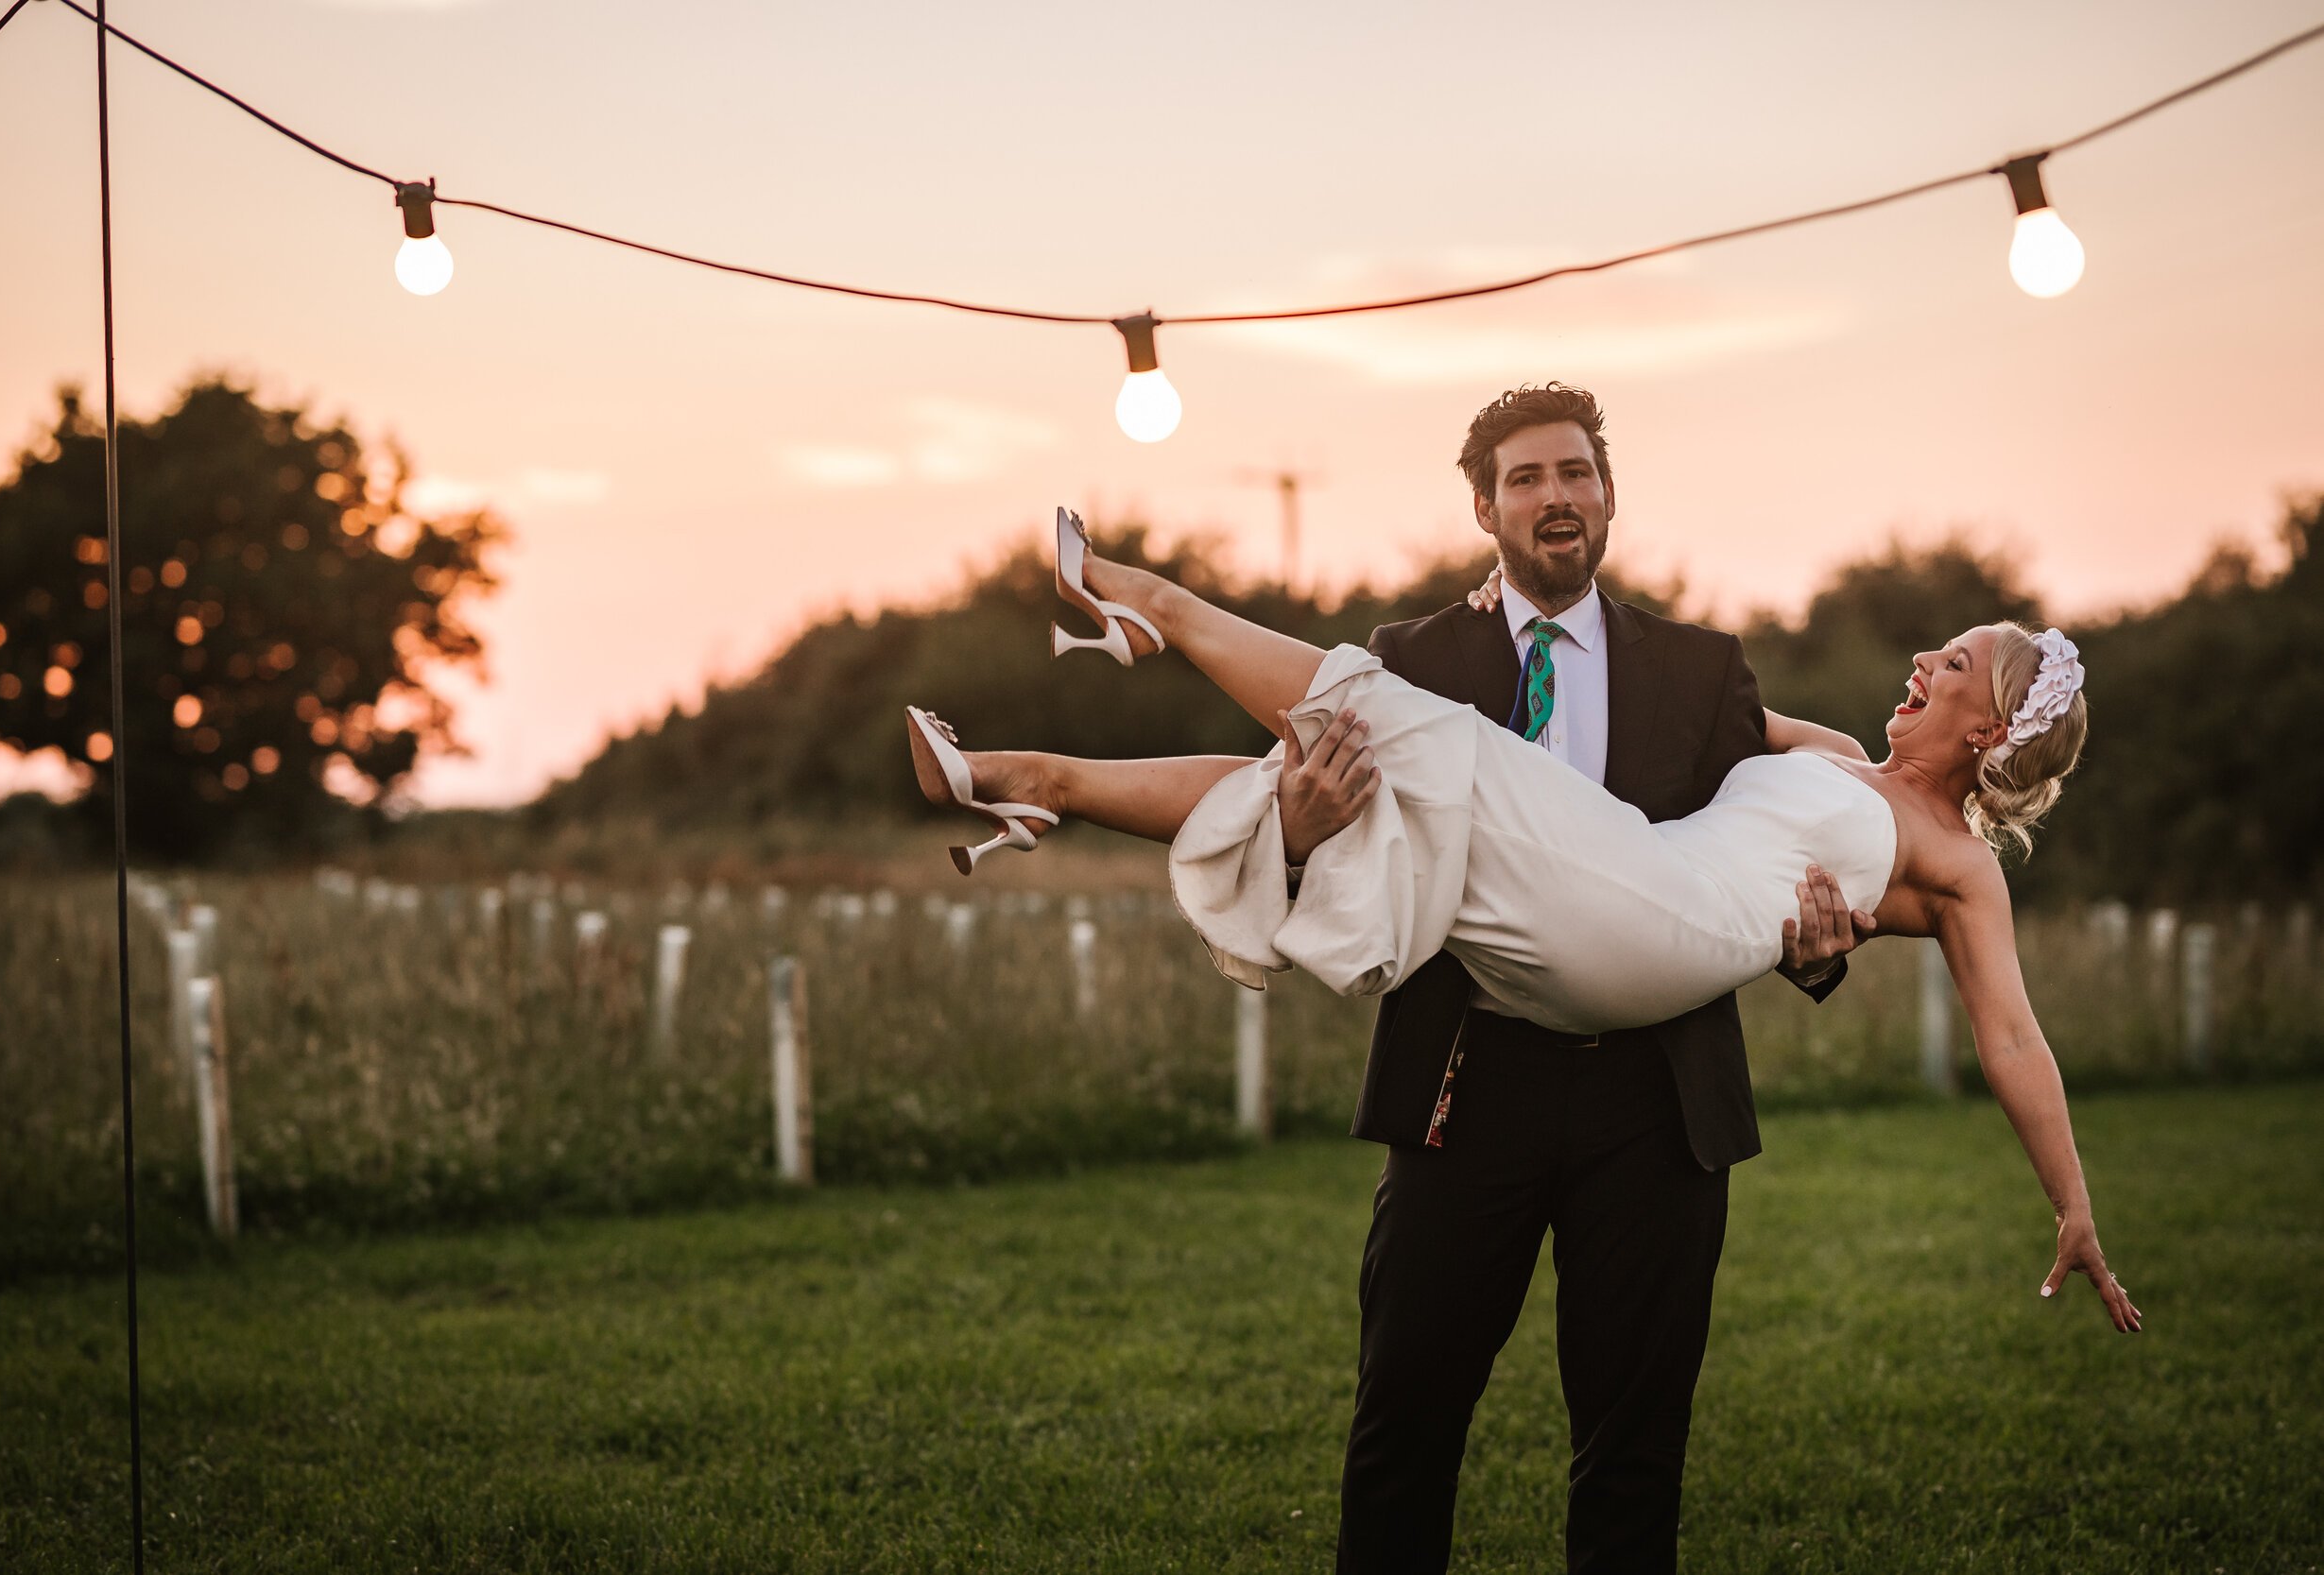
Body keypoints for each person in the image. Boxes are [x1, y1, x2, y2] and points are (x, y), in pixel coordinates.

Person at [904, 389, 2142, 1573]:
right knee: (1391, 751)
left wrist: (2068, 1199)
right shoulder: (1814, 745)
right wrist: (1294, 810)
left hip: (1648, 1005)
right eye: (1527, 477)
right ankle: (1037, 783)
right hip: (1498, 1040)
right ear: (1487, 508)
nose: (1929, 654)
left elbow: (2012, 1038)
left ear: (1991, 733)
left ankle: (1141, 609)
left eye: (1963, 663)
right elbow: (1749, 830)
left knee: (1632, 1456)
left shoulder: (1935, 852)